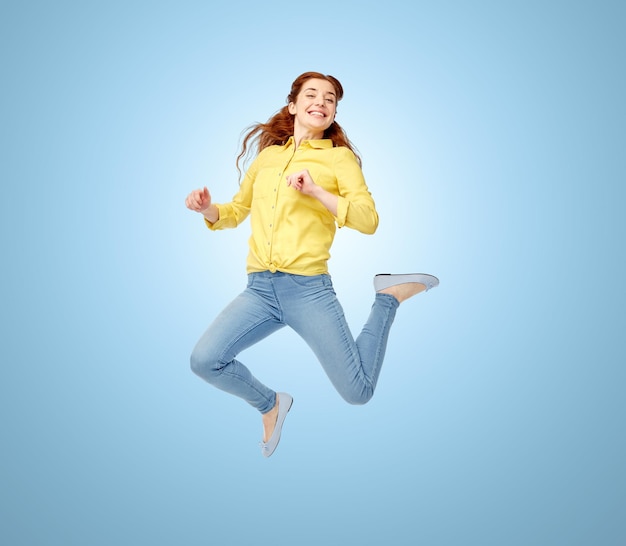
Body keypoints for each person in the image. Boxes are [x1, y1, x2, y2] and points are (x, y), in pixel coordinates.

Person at [185, 71, 439, 458]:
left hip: (308, 291)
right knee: (204, 360)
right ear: (293, 105)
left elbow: (368, 220)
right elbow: (237, 210)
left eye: (330, 99)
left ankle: (387, 297)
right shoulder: (268, 158)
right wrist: (209, 209)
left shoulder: (339, 159)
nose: (321, 101)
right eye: (312, 95)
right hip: (259, 290)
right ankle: (270, 404)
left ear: (333, 113)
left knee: (358, 393)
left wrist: (317, 190)